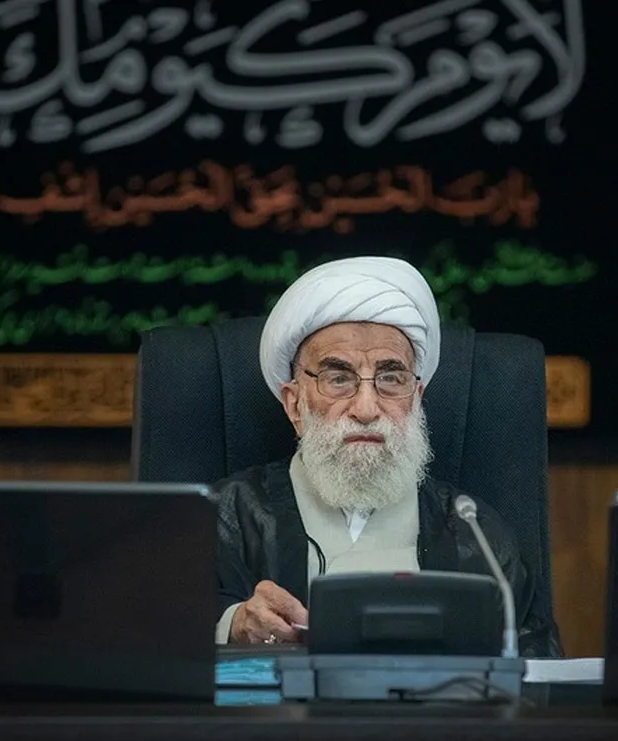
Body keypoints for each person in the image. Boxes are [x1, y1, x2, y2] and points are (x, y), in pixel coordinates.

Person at [212, 256, 562, 657]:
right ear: (294, 404)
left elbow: (536, 668)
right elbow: (160, 635)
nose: (366, 408)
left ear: (416, 398)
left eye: (391, 378)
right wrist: (232, 624)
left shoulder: (475, 533)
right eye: (338, 378)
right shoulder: (224, 516)